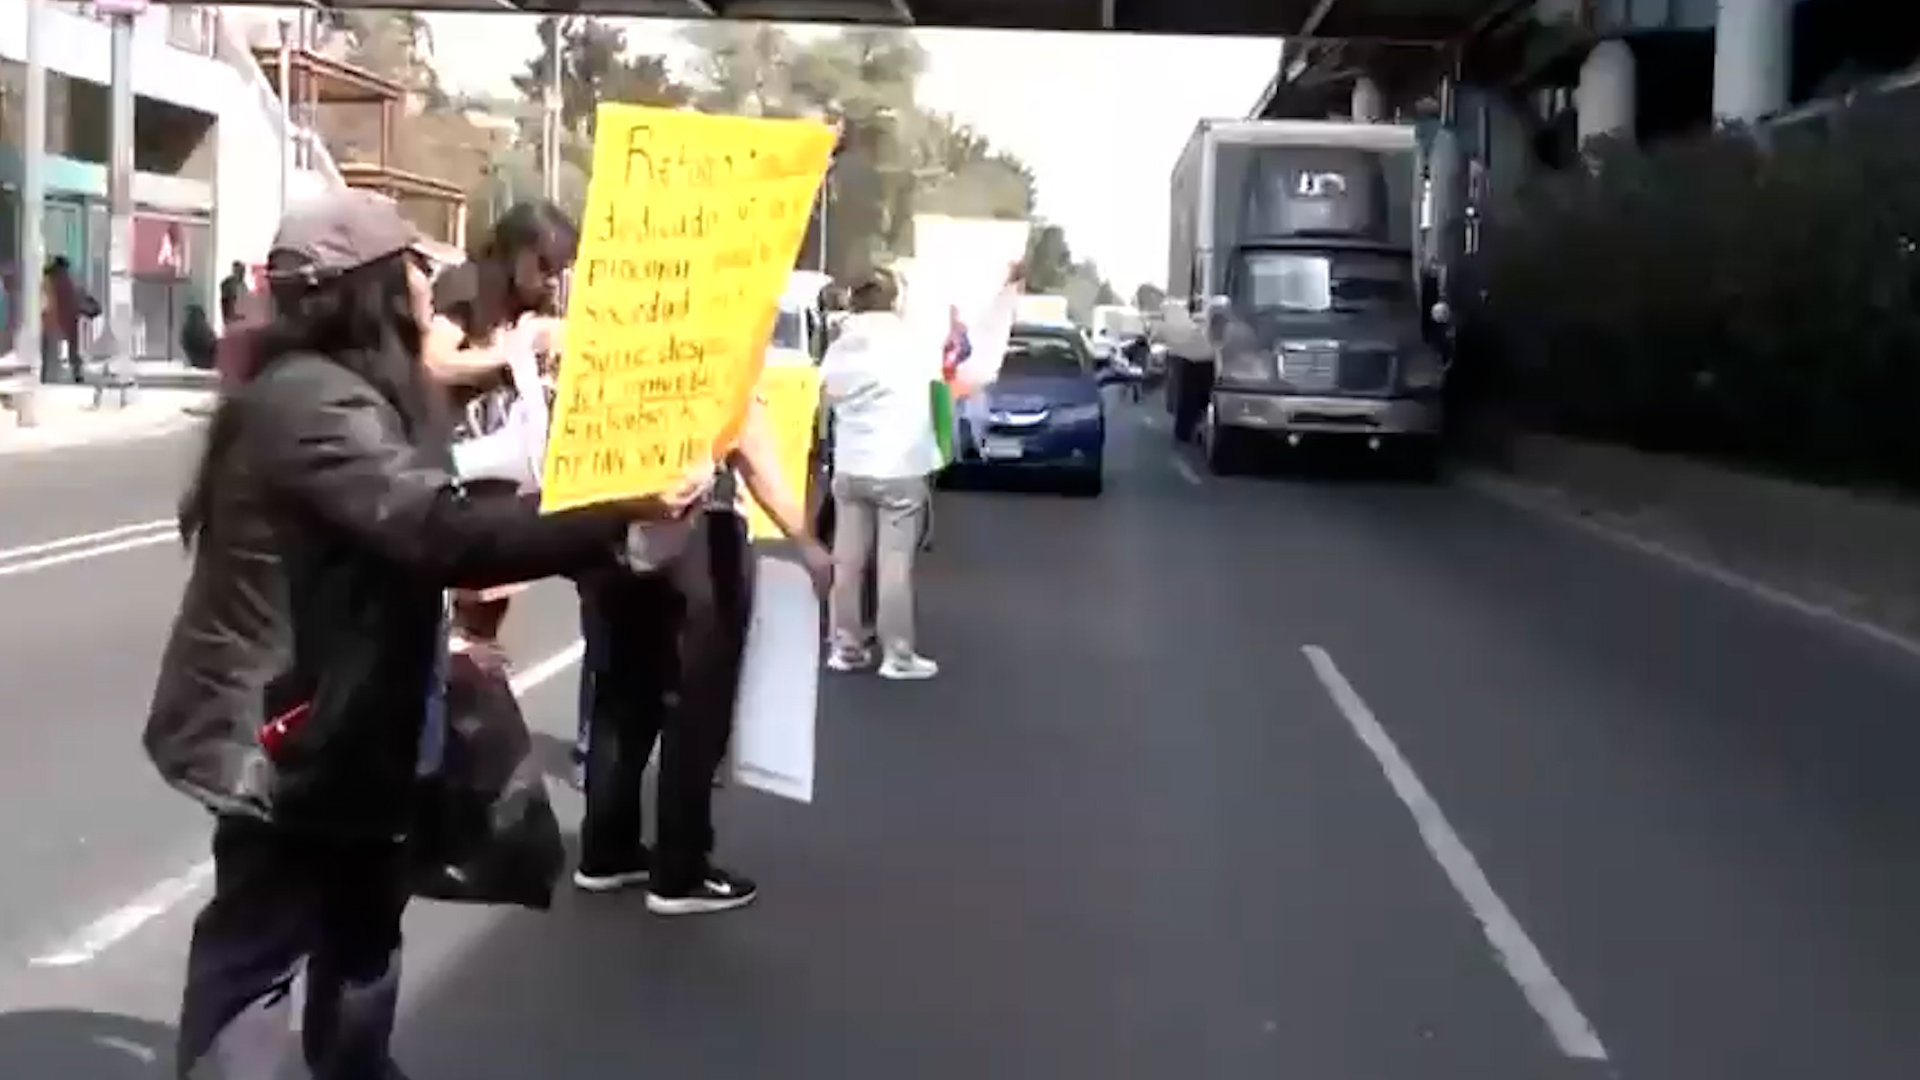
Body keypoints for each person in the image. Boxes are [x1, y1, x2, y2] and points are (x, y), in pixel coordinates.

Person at [142, 189, 709, 1080]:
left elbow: (413, 528)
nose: (430, 283)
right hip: (289, 742)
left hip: (354, 733)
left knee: (364, 939)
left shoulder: (356, 390)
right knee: (257, 961)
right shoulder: (311, 403)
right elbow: (432, 527)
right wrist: (609, 514)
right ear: (365, 289)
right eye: (413, 267)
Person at [575, 395, 831, 915]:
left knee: (621, 697)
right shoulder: (716, 342)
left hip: (615, 529)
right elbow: (750, 447)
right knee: (697, 703)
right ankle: (680, 868)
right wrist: (804, 540)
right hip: (700, 534)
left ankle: (608, 848)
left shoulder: (611, 347)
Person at [818, 261, 1023, 680]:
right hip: (899, 467)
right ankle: (898, 655)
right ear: (895, 300)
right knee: (894, 563)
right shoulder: (911, 342)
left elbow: (825, 404)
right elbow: (951, 382)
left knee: (848, 562)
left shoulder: (839, 347)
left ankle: (846, 646)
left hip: (850, 467)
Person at [219, 260, 249, 324]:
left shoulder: (243, 285)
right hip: (232, 318)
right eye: (240, 271)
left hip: (241, 318)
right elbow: (226, 301)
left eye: (243, 271)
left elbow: (246, 300)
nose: (242, 273)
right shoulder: (229, 283)